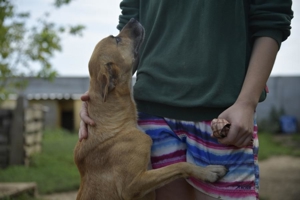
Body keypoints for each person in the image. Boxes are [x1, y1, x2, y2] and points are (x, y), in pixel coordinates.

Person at [79, 0, 293, 199]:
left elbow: (272, 15)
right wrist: (99, 104)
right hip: (151, 117)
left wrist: (247, 102)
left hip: (222, 114)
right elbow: (133, 15)